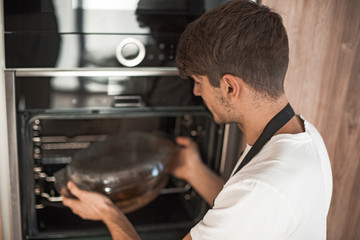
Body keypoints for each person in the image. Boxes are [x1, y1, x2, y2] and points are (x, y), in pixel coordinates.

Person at [62, 0, 333, 239]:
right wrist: (194, 170)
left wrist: (108, 211)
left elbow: (251, 201)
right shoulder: (304, 136)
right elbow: (243, 215)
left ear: (229, 87)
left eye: (198, 81)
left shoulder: (263, 187)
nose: (196, 91)